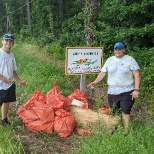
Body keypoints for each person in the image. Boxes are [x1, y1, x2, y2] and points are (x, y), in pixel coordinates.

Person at [88, 42, 140, 134]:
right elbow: (103, 73)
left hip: (127, 91)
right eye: (116, 49)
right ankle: (116, 128)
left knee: (125, 111)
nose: (118, 51)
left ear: (123, 50)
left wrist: (136, 89)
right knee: (115, 112)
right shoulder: (110, 60)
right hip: (112, 92)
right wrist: (95, 82)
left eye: (120, 49)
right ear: (114, 50)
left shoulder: (130, 60)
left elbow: (136, 75)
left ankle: (125, 132)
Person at [0, 34, 26, 126]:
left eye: (10, 41)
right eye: (6, 40)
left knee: (6, 101)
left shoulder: (11, 56)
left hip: (9, 84)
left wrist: (19, 81)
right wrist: (3, 79)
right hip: (1, 84)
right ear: (2, 41)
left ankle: (4, 120)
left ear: (13, 43)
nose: (8, 42)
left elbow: (13, 71)